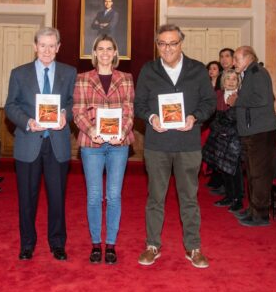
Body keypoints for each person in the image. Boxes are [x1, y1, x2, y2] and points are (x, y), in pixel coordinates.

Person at [134, 24, 216, 269]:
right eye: (162, 43)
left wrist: (195, 117)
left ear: (181, 43)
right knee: (155, 198)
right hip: (157, 144)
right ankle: (152, 245)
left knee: (189, 198)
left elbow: (210, 102)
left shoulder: (198, 69)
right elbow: (138, 104)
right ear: (157, 45)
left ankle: (193, 247)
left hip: (188, 144)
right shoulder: (149, 70)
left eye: (172, 43)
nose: (167, 48)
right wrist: (151, 117)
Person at [4, 27, 77, 261]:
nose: (47, 50)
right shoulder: (19, 73)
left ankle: (57, 243)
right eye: (42, 45)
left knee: (57, 198)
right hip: (28, 143)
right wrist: (27, 122)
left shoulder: (69, 72)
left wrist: (66, 114)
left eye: (51, 45)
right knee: (27, 199)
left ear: (58, 47)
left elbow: (74, 103)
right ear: (35, 46)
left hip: (57, 144)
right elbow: (11, 106)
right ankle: (27, 244)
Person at [73, 34, 135, 265]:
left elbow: (129, 110)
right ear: (95, 52)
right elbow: (78, 111)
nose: (106, 52)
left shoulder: (126, 78)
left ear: (115, 52)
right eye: (101, 48)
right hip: (92, 145)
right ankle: (95, 244)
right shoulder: (82, 78)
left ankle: (111, 243)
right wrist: (91, 131)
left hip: (119, 144)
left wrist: (123, 131)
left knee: (114, 196)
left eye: (110, 48)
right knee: (94, 196)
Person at [228, 45, 276, 227]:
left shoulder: (258, 72)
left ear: (248, 57)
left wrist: (237, 101)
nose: (234, 63)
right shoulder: (249, 73)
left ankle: (260, 215)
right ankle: (253, 210)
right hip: (252, 132)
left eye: (236, 59)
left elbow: (264, 99)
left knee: (259, 175)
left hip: (261, 132)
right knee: (252, 173)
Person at [202, 70, 243, 211]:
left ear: (238, 82)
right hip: (220, 136)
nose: (231, 81)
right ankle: (229, 196)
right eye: (228, 79)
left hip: (234, 138)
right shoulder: (217, 95)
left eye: (234, 79)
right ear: (223, 81)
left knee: (234, 170)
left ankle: (238, 200)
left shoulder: (241, 96)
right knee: (223, 169)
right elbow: (211, 116)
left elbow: (239, 120)